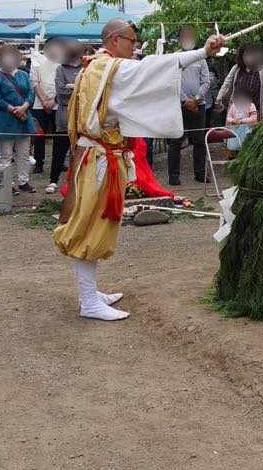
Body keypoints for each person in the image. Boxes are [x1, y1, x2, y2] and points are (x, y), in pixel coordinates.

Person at [52, 19, 223, 321]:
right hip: (98, 159)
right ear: (116, 40)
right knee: (89, 226)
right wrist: (202, 52)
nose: (136, 48)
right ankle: (88, 300)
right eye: (132, 41)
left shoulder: (97, 66)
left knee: (94, 224)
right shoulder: (109, 68)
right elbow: (154, 68)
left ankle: (89, 291)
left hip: (97, 155)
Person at [0, 44, 37, 194]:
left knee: (24, 152)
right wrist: (13, 109)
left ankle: (24, 181)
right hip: (5, 118)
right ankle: (7, 183)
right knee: (6, 154)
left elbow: (30, 92)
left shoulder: (23, 74)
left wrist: (24, 106)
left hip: (23, 117)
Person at [169, 25, 212, 186]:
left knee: (199, 141)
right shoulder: (174, 58)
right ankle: (173, 175)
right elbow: (171, 81)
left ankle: (200, 174)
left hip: (199, 105)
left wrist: (196, 98)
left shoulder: (200, 57)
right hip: (179, 105)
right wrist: (185, 100)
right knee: (175, 140)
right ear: (179, 39)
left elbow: (206, 81)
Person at [49, 41, 84, 194]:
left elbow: (89, 92)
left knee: (80, 152)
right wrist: (78, 88)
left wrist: (72, 86)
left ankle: (78, 181)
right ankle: (53, 180)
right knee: (59, 151)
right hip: (64, 118)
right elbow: (61, 94)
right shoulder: (60, 69)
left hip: (82, 118)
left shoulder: (86, 68)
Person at [29, 38, 61, 176]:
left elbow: (63, 84)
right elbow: (34, 81)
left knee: (57, 135)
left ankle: (58, 162)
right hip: (39, 103)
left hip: (57, 103)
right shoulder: (37, 60)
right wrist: (43, 100)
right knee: (39, 135)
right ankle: (38, 163)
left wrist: (53, 100)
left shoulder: (63, 62)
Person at [216, 43, 263, 118]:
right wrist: (219, 99)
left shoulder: (261, 72)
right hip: (236, 111)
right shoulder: (236, 68)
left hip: (254, 112)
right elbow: (227, 84)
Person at [225, 86, 259, 153]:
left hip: (247, 130)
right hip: (235, 131)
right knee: (235, 149)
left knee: (247, 148)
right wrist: (232, 120)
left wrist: (242, 121)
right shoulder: (233, 105)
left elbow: (254, 118)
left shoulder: (251, 105)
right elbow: (228, 117)